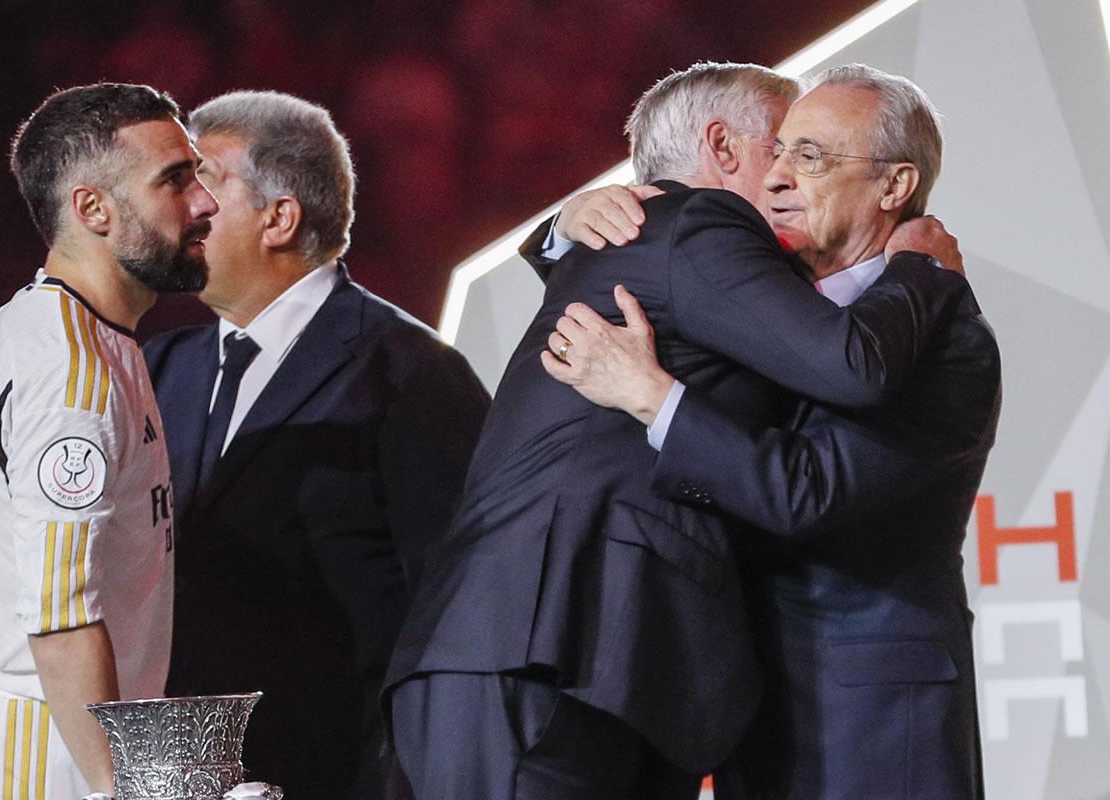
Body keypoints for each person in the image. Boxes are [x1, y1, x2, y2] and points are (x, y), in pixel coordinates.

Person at [383, 62, 974, 800]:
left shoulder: (683, 250)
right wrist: (921, 263)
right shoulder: (697, 221)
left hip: (614, 666)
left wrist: (568, 255)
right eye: (781, 149)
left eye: (811, 156)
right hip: (545, 649)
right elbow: (850, 366)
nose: (787, 175)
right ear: (723, 148)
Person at [144, 90, 490, 799]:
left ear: (280, 217)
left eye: (203, 179)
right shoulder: (159, 367)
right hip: (181, 774)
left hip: (341, 774)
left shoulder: (409, 371)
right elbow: (97, 531)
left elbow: (459, 607)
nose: (186, 207)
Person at [0, 83, 217, 798]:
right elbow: (61, 620)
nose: (205, 203)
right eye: (175, 180)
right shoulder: (73, 374)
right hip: (43, 754)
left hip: (30, 739)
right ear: (93, 208)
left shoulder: (65, 331)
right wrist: (119, 787)